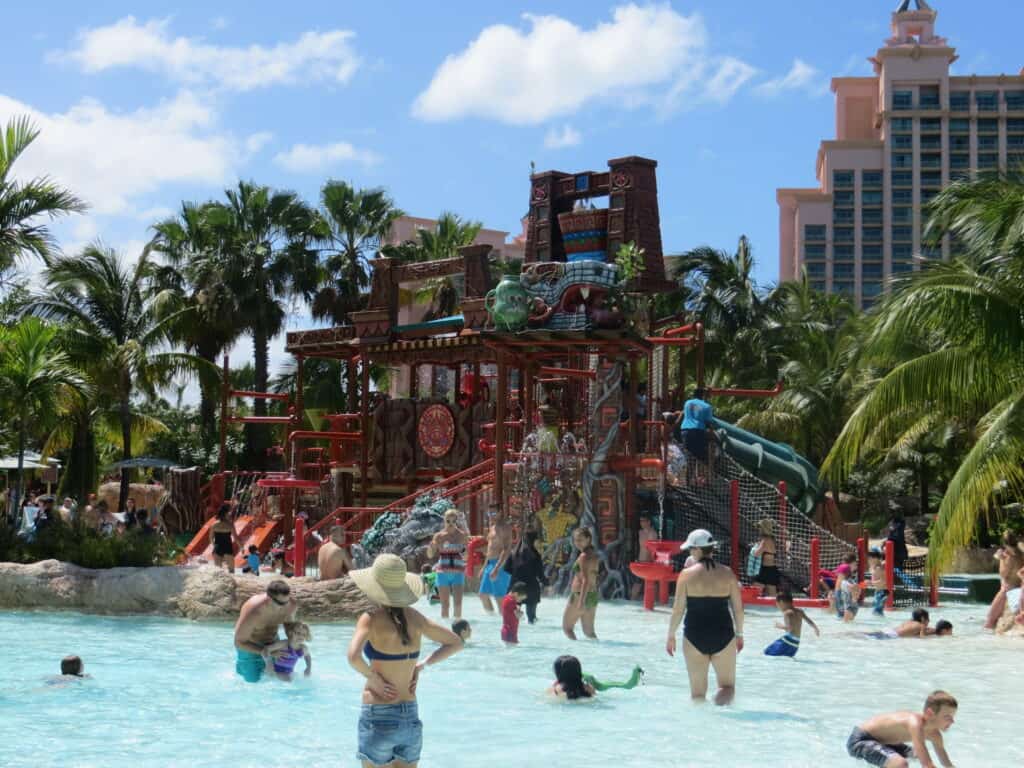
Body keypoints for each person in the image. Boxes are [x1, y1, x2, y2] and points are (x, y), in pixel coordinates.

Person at [346, 553, 463, 768]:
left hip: (378, 711)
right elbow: (455, 642)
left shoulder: (370, 619)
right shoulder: (416, 618)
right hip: (409, 711)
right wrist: (422, 665)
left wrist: (372, 678)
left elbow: (353, 657)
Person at [666, 529, 743, 705]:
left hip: (694, 636)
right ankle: (719, 717)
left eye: (691, 549)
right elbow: (738, 610)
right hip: (723, 635)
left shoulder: (685, 576)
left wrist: (671, 635)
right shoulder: (728, 573)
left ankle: (701, 727)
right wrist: (740, 634)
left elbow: (678, 610)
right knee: (727, 688)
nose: (690, 553)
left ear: (698, 550)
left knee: (698, 695)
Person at [846, 690, 957, 768]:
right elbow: (927, 765)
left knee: (916, 755)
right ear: (930, 713)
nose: (952, 721)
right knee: (900, 764)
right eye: (947, 717)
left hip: (884, 742)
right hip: (860, 740)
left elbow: (947, 764)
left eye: (953, 717)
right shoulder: (914, 723)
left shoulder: (935, 735)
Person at [233, 580, 297, 683]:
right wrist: (268, 652)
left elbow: (290, 627)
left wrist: (295, 640)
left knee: (281, 680)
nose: (285, 606)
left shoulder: (291, 605)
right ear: (269, 598)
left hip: (273, 644)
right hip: (250, 647)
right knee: (253, 684)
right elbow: (239, 642)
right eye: (280, 603)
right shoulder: (254, 610)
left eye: (287, 601)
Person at [426, 508, 467, 619]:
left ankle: (457, 629)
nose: (450, 524)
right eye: (448, 521)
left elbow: (467, 555)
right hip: (442, 572)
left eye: (453, 521)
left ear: (456, 521)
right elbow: (430, 555)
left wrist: (464, 550)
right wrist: (432, 546)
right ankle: (446, 630)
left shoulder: (462, 535)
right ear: (444, 521)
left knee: (458, 605)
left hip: (458, 572)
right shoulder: (439, 536)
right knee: (445, 605)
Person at [563, 527, 600, 640]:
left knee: (567, 629)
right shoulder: (593, 554)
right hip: (592, 595)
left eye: (580, 539)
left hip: (580, 595)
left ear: (588, 539)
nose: (577, 543)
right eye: (575, 540)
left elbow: (586, 580)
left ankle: (575, 654)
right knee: (589, 633)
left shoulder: (584, 556)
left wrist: (581, 601)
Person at [671, 387, 714, 483]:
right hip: (698, 431)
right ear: (703, 395)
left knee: (689, 456)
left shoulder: (687, 403)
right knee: (701, 457)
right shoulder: (707, 406)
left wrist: (674, 428)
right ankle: (701, 480)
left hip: (685, 431)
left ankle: (688, 481)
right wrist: (712, 434)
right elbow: (708, 423)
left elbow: (682, 416)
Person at [505, 530, 546, 623]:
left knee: (514, 616)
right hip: (532, 588)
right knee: (531, 618)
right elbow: (540, 574)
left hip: (516, 587)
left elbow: (507, 569)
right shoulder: (536, 555)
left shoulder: (514, 553)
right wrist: (547, 583)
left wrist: (518, 575)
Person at [984, 531, 1023, 630]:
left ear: (1004, 543)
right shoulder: (1020, 553)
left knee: (989, 620)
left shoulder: (1010, 556)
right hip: (1018, 587)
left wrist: (1001, 559)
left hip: (1007, 590)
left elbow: (1003, 574)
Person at [764, 591, 819, 658]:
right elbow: (809, 621)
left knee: (767, 652)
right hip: (795, 644)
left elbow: (790, 628)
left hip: (787, 641)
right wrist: (815, 628)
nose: (778, 607)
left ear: (781, 602)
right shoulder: (800, 611)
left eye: (777, 605)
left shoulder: (787, 613)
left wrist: (780, 626)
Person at [478, 508, 513, 613]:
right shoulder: (492, 527)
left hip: (500, 564)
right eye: (489, 513)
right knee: (483, 595)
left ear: (500, 512)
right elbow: (490, 549)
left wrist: (497, 568)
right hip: (490, 564)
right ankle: (492, 621)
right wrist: (484, 567)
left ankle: (505, 623)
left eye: (493, 512)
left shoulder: (505, 528)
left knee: (500, 598)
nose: (491, 515)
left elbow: (506, 550)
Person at [751, 518, 780, 597]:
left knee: (753, 594)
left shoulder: (765, 540)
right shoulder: (772, 539)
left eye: (760, 528)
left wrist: (754, 548)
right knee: (772, 597)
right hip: (771, 570)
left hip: (765, 570)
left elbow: (756, 554)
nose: (758, 530)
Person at [210, 503, 242, 573]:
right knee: (231, 571)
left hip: (217, 548)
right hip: (227, 548)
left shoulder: (214, 525)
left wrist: (214, 546)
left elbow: (211, 538)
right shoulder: (230, 525)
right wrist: (241, 548)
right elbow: (236, 538)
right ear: (226, 514)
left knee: (218, 572)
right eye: (229, 512)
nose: (230, 514)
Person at [868, 548, 887, 616]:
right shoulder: (875, 568)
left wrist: (871, 583)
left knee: (877, 612)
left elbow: (883, 581)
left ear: (875, 558)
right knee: (877, 612)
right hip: (879, 592)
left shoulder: (879, 568)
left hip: (881, 593)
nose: (868, 560)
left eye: (870, 559)